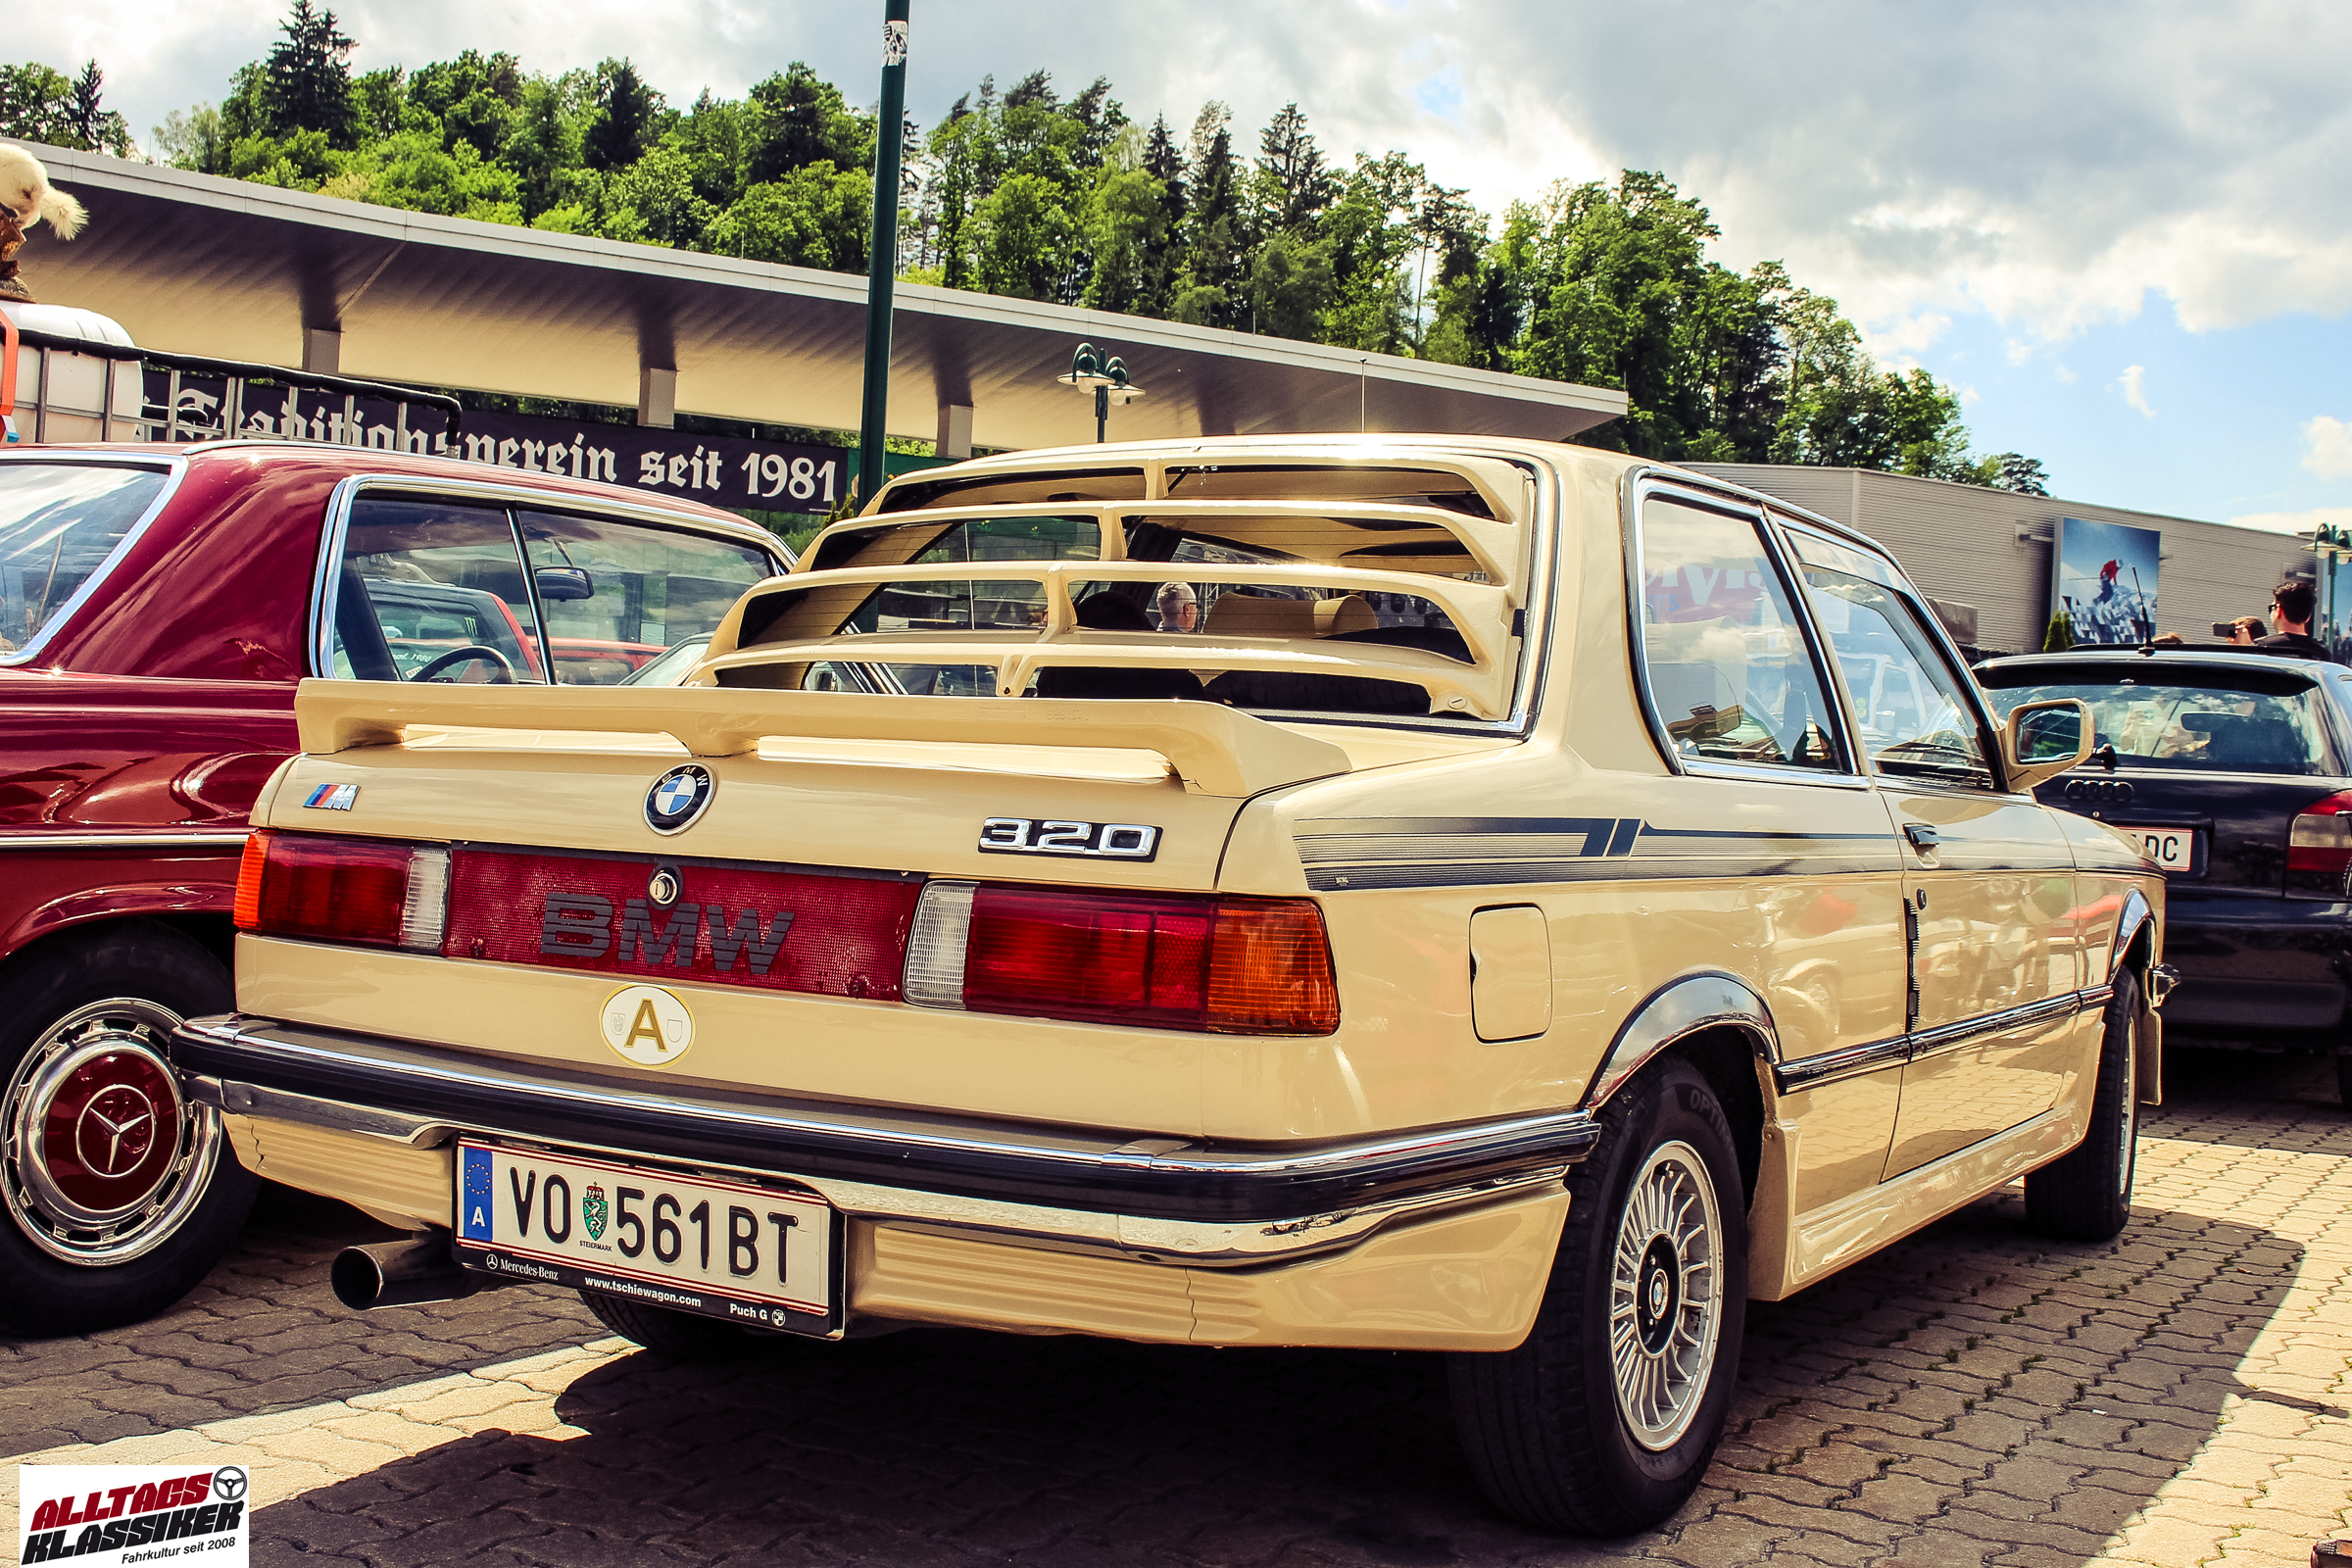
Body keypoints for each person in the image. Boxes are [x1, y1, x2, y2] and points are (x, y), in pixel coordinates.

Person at [2255, 581, 2329, 660]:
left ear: (2278, 609)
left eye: (2271, 608)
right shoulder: (2323, 653)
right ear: (2309, 616)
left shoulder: (2258, 648)